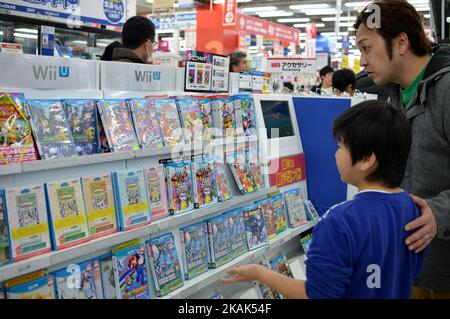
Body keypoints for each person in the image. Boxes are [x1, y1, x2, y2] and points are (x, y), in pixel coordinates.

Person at [223, 100, 426, 298]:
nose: (335, 155)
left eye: (340, 147)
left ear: (366, 160)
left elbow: (314, 294)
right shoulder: (415, 210)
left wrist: (260, 273)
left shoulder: (339, 221)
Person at [354, 0, 450, 298]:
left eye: (366, 48)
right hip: (414, 264)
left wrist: (439, 213)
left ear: (401, 42)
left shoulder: (445, 91)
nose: (361, 61)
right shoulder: (395, 97)